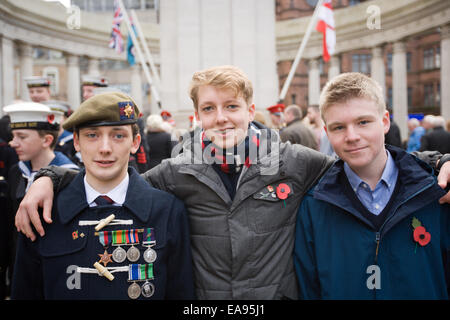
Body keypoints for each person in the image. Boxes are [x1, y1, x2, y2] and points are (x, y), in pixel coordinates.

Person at [14, 65, 450, 300]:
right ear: (197, 117)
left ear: (251, 109)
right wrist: (52, 177)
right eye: (209, 109)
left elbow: (362, 163)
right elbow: (115, 180)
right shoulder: (174, 174)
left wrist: (438, 162)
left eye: (232, 106)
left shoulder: (298, 163)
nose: (221, 118)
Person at [11, 92, 194, 300]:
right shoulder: (44, 210)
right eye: (92, 135)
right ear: (77, 142)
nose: (105, 149)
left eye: (118, 136)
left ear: (135, 143)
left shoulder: (167, 211)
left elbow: (182, 292)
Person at [293, 72, 450, 299]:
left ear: (385, 121)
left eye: (363, 122)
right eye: (338, 127)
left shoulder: (435, 190)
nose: (352, 136)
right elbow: (309, 288)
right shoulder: (314, 205)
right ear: (326, 133)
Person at [4, 102, 79, 299]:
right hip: (21, 266)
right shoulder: (16, 171)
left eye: (22, 137)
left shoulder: (70, 175)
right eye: (13, 136)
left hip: (55, 270)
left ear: (46, 140)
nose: (13, 143)